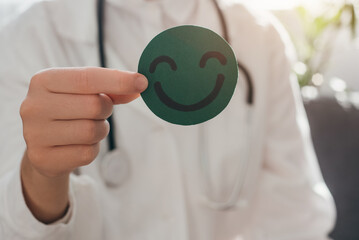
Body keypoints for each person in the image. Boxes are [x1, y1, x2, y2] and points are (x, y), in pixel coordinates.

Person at [0, 0, 336, 239]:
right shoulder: (29, 35)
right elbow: (12, 227)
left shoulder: (258, 36)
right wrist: (40, 173)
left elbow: (295, 217)